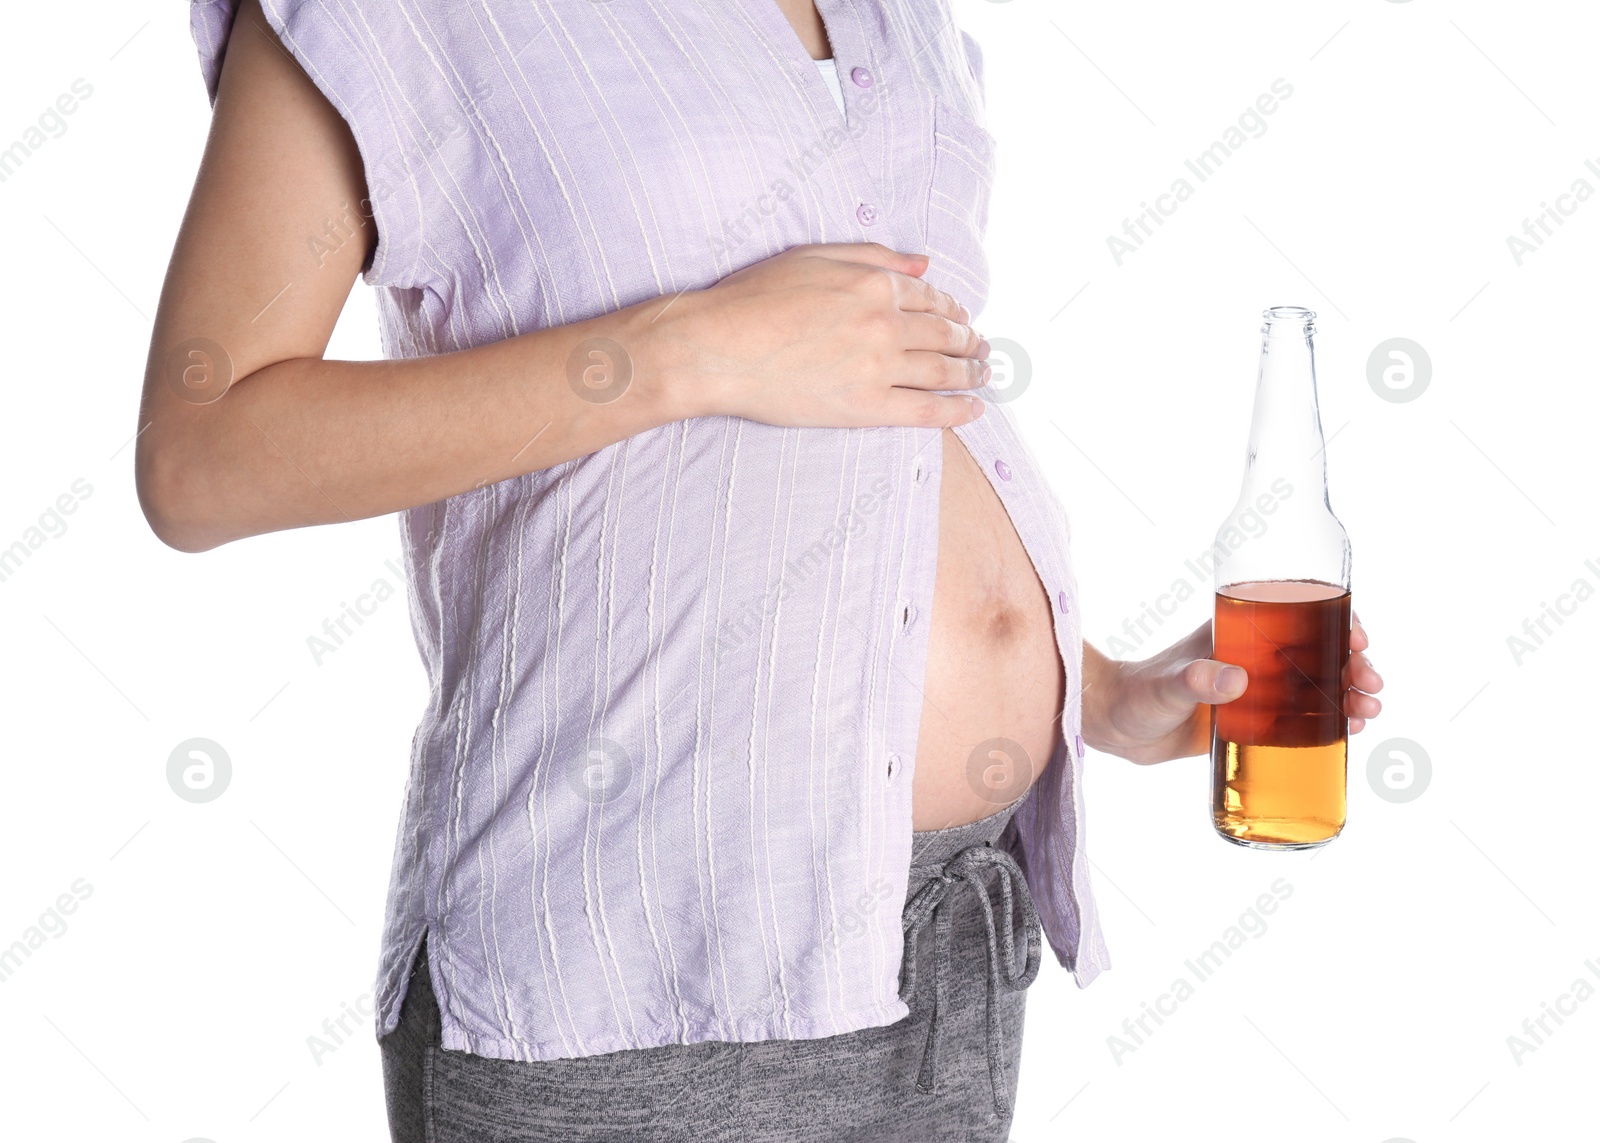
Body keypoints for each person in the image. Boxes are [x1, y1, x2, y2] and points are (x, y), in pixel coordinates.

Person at [142, 2, 1384, 1139]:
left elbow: (875, 400)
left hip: (945, 942)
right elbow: (202, 459)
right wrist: (684, 350)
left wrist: (1089, 690)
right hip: (620, 967)